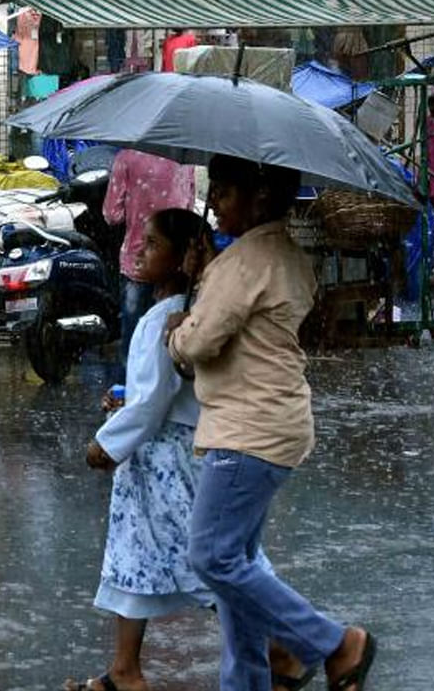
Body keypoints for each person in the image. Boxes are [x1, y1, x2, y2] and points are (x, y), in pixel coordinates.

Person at [69, 209, 308, 691]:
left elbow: (154, 403)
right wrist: (123, 402)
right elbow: (148, 393)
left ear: (182, 258)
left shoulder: (172, 318)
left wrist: (107, 443)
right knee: (131, 560)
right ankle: (123, 669)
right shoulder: (164, 313)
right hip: (150, 462)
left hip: (169, 461)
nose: (140, 248)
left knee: (212, 566)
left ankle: (283, 645)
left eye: (153, 243)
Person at [167, 155, 376, 691]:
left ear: (258, 198)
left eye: (225, 191)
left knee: (211, 557)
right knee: (238, 562)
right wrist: (205, 275)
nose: (213, 201)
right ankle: (249, 681)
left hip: (248, 430)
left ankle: (329, 643)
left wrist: (179, 324)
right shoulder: (281, 254)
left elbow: (197, 344)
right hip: (274, 421)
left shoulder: (243, 264)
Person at [101, 149, 195, 381]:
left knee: (134, 344)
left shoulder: (127, 158)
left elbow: (112, 215)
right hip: (176, 266)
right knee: (171, 341)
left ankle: (129, 396)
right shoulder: (185, 160)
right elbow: (189, 209)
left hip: (137, 264)